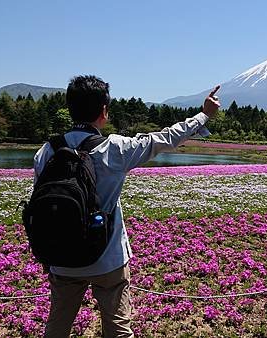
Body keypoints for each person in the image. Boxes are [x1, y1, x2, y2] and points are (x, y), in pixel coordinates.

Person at [33, 75, 221, 337]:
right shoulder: (115, 148)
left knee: (57, 326)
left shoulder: (46, 151)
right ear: (104, 111)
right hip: (107, 258)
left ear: (70, 108)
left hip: (60, 257)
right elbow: (165, 138)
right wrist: (203, 116)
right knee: (118, 329)